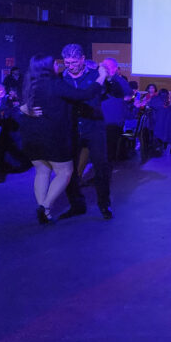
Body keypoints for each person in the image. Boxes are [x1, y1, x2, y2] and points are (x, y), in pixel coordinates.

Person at [19, 54, 108, 224]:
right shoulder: (55, 83)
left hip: (31, 135)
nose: (58, 66)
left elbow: (21, 105)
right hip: (52, 135)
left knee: (42, 171)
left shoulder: (30, 82)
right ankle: (45, 207)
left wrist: (23, 109)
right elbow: (84, 95)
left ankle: (44, 211)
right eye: (55, 63)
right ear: (48, 67)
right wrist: (102, 76)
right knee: (65, 172)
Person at [59, 44, 115, 220]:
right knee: (69, 170)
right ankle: (77, 205)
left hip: (94, 127)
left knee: (101, 167)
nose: (70, 65)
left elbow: (118, 92)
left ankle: (104, 205)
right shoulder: (61, 78)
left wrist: (109, 78)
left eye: (74, 61)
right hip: (72, 128)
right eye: (67, 62)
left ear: (82, 59)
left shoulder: (96, 75)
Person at [99, 58, 133, 162]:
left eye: (106, 66)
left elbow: (128, 95)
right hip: (102, 120)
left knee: (108, 151)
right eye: (103, 66)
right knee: (102, 150)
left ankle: (104, 176)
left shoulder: (119, 81)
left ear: (114, 69)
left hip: (112, 121)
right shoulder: (102, 80)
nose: (103, 68)